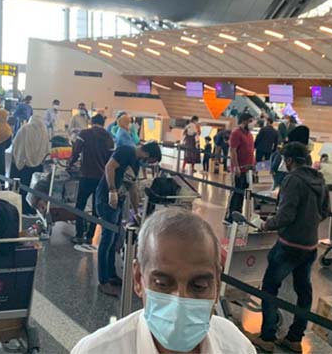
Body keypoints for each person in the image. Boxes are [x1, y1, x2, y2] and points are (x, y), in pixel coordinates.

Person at [72, 210, 256, 354]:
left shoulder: (236, 346)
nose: (180, 301)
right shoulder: (96, 350)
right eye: (162, 283)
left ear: (216, 283)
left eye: (198, 286)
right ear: (138, 279)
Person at [250, 142, 328, 353]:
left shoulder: (292, 180)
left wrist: (266, 224)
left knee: (269, 287)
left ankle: (267, 336)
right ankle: (295, 337)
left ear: (290, 160)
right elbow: (325, 211)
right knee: (304, 291)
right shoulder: (319, 179)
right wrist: (309, 225)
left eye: (285, 159)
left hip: (288, 245)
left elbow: (286, 215)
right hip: (310, 245)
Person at [96, 141, 162, 297]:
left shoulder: (136, 163)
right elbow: (109, 167)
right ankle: (103, 281)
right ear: (147, 154)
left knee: (115, 239)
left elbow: (131, 187)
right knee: (107, 240)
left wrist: (136, 210)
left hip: (118, 202)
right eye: (150, 161)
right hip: (106, 199)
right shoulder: (126, 151)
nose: (147, 164)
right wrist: (112, 190)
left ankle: (111, 274)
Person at [69, 114, 115, 246]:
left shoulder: (85, 133)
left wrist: (70, 164)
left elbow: (76, 151)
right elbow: (111, 158)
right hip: (101, 178)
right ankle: (90, 236)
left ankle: (78, 234)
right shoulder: (108, 136)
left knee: (80, 205)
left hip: (86, 175)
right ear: (103, 123)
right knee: (96, 209)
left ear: (91, 122)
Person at [10, 116, 50, 215]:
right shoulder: (44, 131)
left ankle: (21, 210)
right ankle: (32, 209)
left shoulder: (24, 129)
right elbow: (46, 149)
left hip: (23, 166)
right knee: (34, 190)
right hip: (37, 167)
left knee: (22, 189)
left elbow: (16, 145)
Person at [227, 113, 255, 221]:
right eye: (250, 121)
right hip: (239, 169)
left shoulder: (249, 134)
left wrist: (253, 164)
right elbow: (233, 151)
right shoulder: (236, 133)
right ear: (244, 121)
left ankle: (238, 216)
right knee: (236, 193)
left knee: (243, 194)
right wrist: (236, 167)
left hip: (248, 170)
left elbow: (251, 150)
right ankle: (230, 217)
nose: (252, 124)